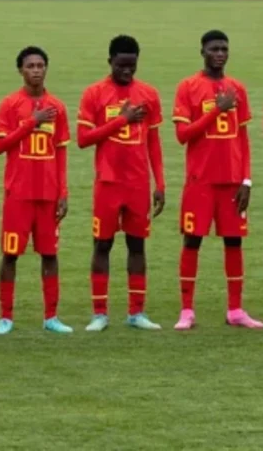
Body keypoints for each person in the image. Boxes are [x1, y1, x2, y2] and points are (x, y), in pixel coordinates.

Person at [172, 31, 262, 330]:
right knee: (192, 240)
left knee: (234, 242)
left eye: (224, 48)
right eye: (214, 49)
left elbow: (244, 138)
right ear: (203, 52)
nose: (220, 53)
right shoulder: (189, 87)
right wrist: (216, 111)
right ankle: (187, 311)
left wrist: (246, 180)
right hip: (201, 181)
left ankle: (235, 310)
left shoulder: (238, 88)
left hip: (232, 182)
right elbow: (183, 135)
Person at [77, 35, 166, 332]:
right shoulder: (94, 94)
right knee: (102, 244)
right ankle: (100, 313)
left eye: (132, 65)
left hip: (138, 184)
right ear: (110, 62)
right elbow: (83, 139)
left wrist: (160, 183)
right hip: (108, 182)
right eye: (121, 65)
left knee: (136, 245)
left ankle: (136, 313)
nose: (127, 71)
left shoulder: (149, 94)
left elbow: (153, 142)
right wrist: (121, 120)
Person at [0, 47, 72, 336]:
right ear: (21, 70)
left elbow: (61, 153)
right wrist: (31, 123)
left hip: (48, 195)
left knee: (50, 255)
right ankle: (5, 317)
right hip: (19, 194)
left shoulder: (57, 107)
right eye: (30, 66)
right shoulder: (10, 104)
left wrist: (63, 192)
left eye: (40, 65)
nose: (36, 70)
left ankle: (51, 317)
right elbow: (0, 146)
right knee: (10, 254)